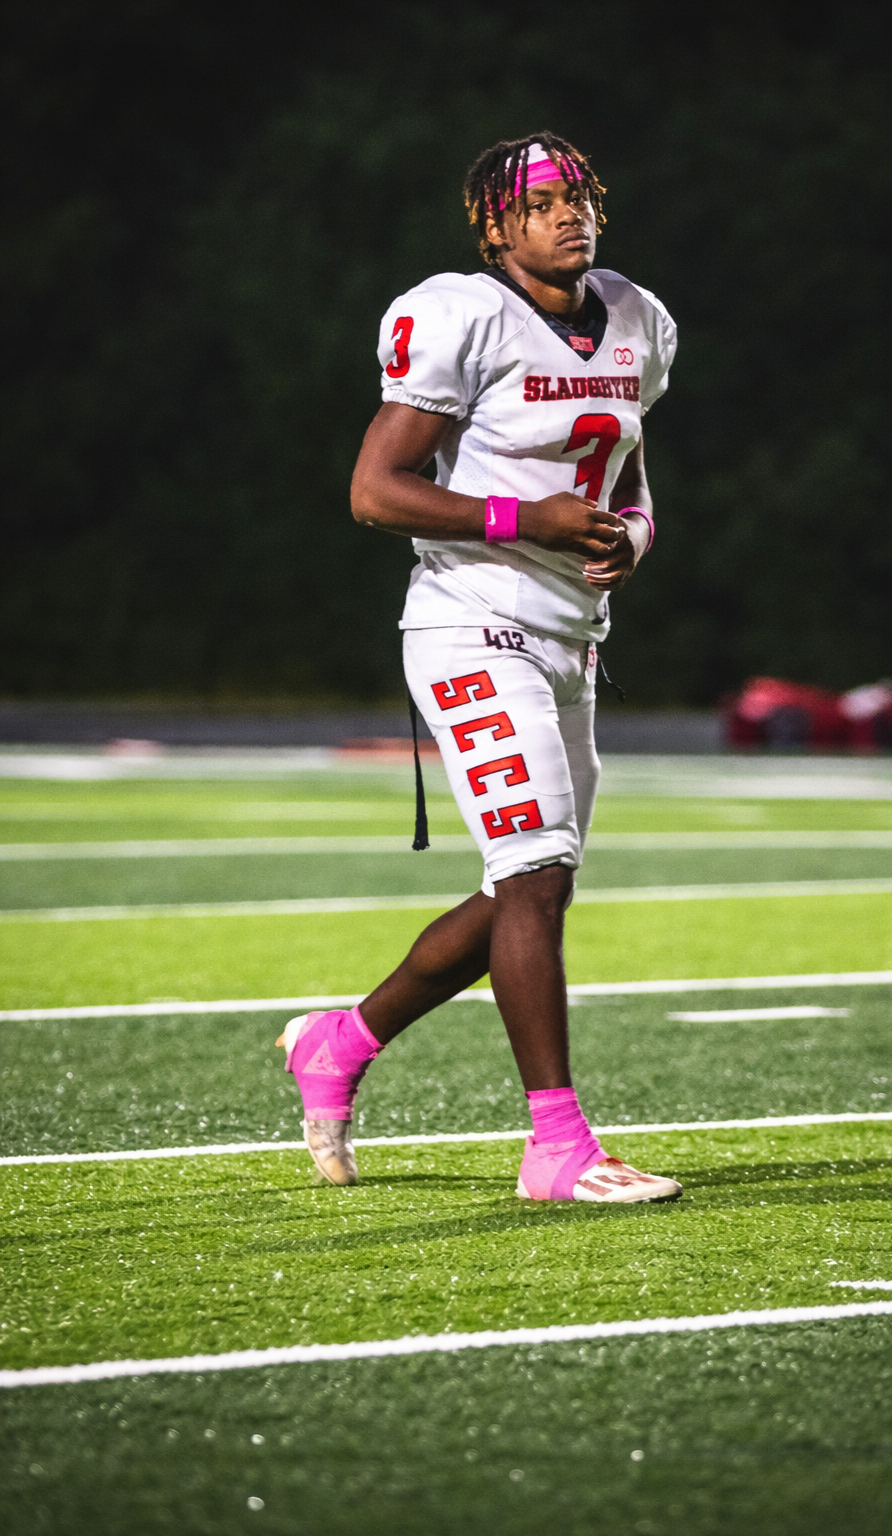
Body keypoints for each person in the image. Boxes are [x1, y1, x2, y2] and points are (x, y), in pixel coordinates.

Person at [278, 133, 680, 1204]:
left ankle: (340, 1042)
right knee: (536, 877)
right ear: (494, 226)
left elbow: (625, 468)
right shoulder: (461, 311)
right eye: (542, 201)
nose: (569, 213)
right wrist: (524, 517)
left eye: (581, 194)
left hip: (570, 636)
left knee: (526, 887)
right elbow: (376, 488)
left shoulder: (639, 317)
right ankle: (556, 1146)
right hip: (471, 620)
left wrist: (631, 535)